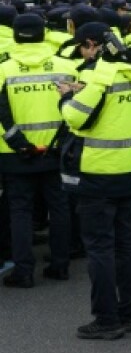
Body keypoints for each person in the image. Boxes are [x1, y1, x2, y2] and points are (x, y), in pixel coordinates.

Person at [60, 22, 131, 340]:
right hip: (129, 166)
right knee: (126, 245)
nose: (80, 53)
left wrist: (66, 98)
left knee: (100, 248)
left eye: (81, 47)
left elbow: (77, 119)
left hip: (97, 169)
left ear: (92, 45)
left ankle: (106, 319)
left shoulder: (98, 75)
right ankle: (130, 314)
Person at [0, 14, 78, 287]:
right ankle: (60, 265)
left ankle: (23, 271)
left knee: (19, 211)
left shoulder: (3, 69)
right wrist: (60, 140)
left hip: (14, 153)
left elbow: (1, 113)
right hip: (56, 150)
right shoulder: (66, 67)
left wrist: (20, 143)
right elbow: (76, 109)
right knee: (59, 207)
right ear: (43, 33)